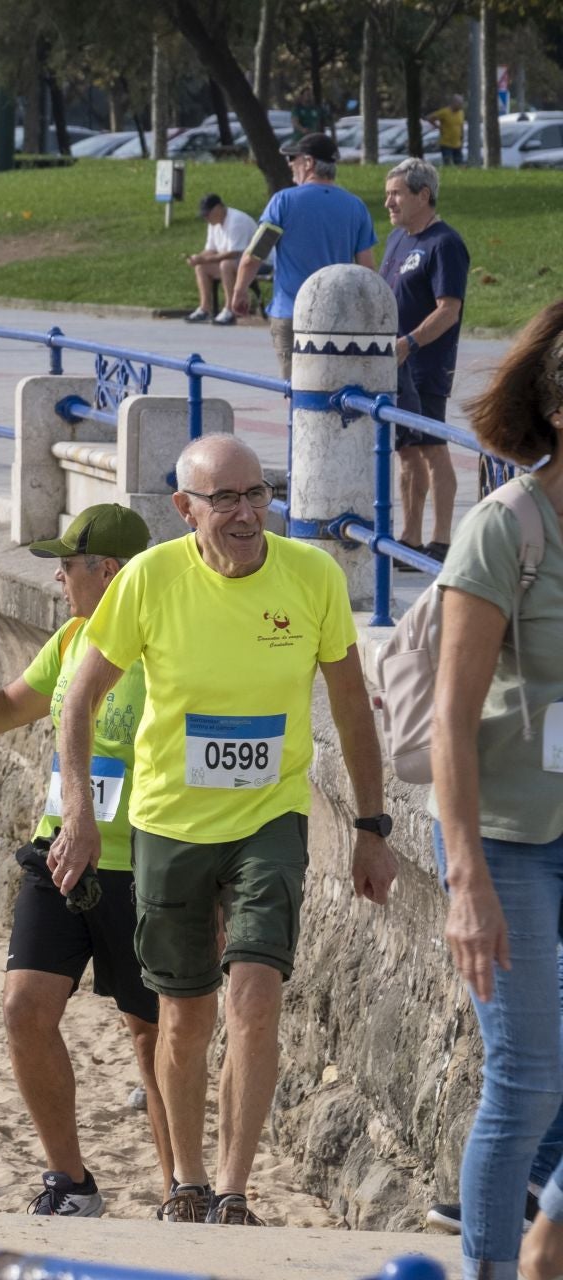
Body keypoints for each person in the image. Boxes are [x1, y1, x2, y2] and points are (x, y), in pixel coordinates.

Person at [50, 434, 398, 1225]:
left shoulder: (312, 575)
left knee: (255, 995)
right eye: (227, 500)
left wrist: (372, 826)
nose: (248, 514)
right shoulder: (147, 579)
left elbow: (350, 707)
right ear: (185, 509)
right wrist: (77, 806)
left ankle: (235, 1193)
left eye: (259, 494)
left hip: (269, 817)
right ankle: (188, 1181)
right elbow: (78, 699)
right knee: (184, 1013)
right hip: (170, 823)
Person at [0, 503, 171, 1217]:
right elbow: (13, 702)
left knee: (150, 1035)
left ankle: (181, 1191)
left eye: (69, 564)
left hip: (145, 864)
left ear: (107, 571)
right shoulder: (76, 635)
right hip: (60, 857)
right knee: (22, 1009)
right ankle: (71, 1181)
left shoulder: (169, 646)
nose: (57, 576)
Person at [431, 297, 563, 1280]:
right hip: (507, 837)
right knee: (525, 1077)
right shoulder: (505, 527)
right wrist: (465, 875)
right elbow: (449, 718)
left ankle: (548, 1234)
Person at [228, 132, 377, 381]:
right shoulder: (356, 207)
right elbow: (367, 268)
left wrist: (239, 291)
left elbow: (255, 254)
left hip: (291, 312)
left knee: (296, 391)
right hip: (337, 315)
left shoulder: (283, 202)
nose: (289, 166)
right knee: (332, 387)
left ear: (308, 163)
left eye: (293, 159)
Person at [380, 157, 468, 569]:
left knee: (432, 448)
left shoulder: (444, 244)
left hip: (425, 364)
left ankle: (442, 539)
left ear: (423, 195)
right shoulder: (398, 240)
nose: (388, 203)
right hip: (395, 366)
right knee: (406, 452)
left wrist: (410, 344)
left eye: (396, 194)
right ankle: (410, 540)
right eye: (387, 195)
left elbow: (448, 309)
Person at [185, 194, 257, 326]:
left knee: (225, 265)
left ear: (218, 208)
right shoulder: (213, 223)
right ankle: (204, 309)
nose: (206, 218)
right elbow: (211, 249)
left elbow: (234, 253)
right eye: (204, 215)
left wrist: (205, 259)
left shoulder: (236, 221)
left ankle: (230, 309)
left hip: (257, 263)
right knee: (201, 267)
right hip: (238, 263)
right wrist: (198, 258)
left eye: (208, 214)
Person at [429, 93, 466, 167]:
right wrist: (437, 126)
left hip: (457, 144)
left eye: (461, 103)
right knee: (448, 164)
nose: (461, 105)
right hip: (446, 143)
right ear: (454, 103)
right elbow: (430, 117)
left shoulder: (461, 113)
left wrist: (462, 138)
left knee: (460, 164)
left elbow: (461, 126)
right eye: (459, 103)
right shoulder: (444, 112)